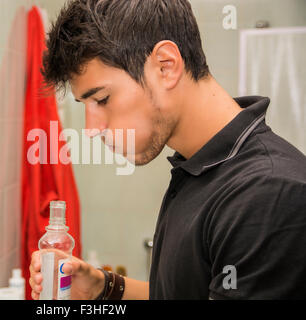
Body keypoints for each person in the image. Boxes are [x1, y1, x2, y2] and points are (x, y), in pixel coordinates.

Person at [29, 0, 306, 299]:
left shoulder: (268, 194)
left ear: (165, 66)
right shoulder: (198, 168)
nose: (91, 129)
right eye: (85, 106)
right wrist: (102, 287)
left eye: (102, 99)